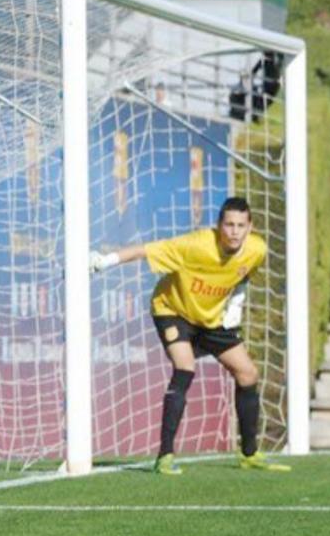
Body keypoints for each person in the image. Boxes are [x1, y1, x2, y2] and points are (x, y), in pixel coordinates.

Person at [88, 197, 289, 475]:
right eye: (228, 224)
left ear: (250, 227)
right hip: (172, 310)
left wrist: (236, 303)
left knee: (248, 374)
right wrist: (103, 261)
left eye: (240, 225)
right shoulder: (196, 245)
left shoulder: (257, 249)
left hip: (210, 319)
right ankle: (165, 456)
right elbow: (144, 251)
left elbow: (243, 275)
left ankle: (249, 454)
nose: (234, 231)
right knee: (184, 367)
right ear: (218, 226)